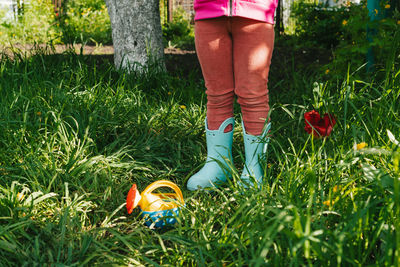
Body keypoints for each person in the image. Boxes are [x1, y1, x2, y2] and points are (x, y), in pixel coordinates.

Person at [187, 0, 278, 191]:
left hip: (255, 10)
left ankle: (255, 167)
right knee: (216, 94)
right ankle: (218, 166)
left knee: (253, 95)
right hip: (208, 10)